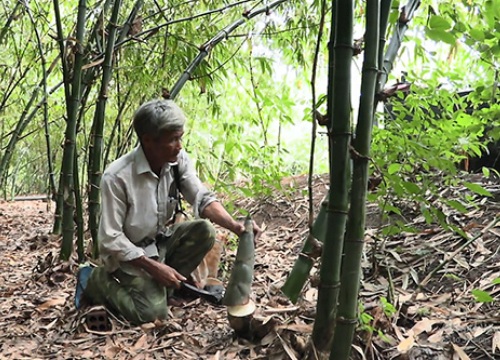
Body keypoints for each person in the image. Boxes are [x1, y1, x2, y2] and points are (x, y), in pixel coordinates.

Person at [84, 99, 262, 324]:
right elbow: (110, 238)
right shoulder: (118, 177)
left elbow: (201, 197)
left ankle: (163, 287)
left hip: (158, 243)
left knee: (204, 230)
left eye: (180, 137)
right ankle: (97, 280)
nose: (179, 145)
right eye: (172, 140)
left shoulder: (177, 160)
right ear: (148, 140)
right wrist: (155, 268)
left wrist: (235, 227)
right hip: (127, 257)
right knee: (152, 314)